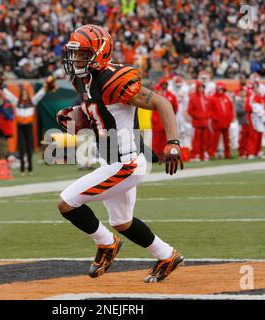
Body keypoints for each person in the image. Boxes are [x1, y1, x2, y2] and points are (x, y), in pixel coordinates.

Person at [56, 25, 184, 283]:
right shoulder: (82, 78)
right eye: (75, 53)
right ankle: (167, 255)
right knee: (122, 221)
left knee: (67, 202)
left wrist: (173, 142)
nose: (76, 59)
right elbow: (106, 114)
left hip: (124, 163)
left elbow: (162, 103)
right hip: (114, 158)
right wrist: (77, 117)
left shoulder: (115, 80)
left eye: (82, 54)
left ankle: (106, 244)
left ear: (100, 53)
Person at [3, 76, 57, 175]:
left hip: (28, 126)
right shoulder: (17, 102)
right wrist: (3, 88)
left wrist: (46, 87)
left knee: (29, 148)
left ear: (27, 95)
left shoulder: (32, 102)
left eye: (25, 94)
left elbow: (40, 94)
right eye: (22, 94)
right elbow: (9, 96)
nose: (24, 96)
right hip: (20, 127)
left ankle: (30, 169)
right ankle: (22, 169)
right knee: (21, 148)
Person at [152, 78, 178, 158]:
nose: (164, 86)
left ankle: (164, 156)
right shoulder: (156, 95)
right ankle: (156, 156)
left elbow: (175, 107)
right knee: (156, 141)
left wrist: (171, 116)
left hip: (167, 122)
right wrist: (154, 118)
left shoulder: (171, 95)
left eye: (165, 85)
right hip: (157, 121)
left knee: (165, 140)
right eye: (162, 85)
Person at [208, 83, 235, 159]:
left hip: (226, 122)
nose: (221, 91)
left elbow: (230, 109)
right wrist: (215, 118)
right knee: (215, 140)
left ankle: (227, 154)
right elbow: (210, 111)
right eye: (219, 89)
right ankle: (211, 154)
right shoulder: (213, 98)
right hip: (217, 123)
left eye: (222, 89)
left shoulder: (226, 98)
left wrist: (230, 118)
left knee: (227, 140)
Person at [187, 81, 211, 161]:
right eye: (200, 87)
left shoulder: (206, 98)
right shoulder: (193, 98)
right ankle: (195, 155)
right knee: (196, 140)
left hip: (205, 122)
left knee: (205, 140)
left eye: (202, 87)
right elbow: (190, 111)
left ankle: (203, 155)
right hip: (197, 123)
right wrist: (199, 116)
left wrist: (207, 116)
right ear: (197, 88)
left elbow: (208, 109)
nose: (201, 89)